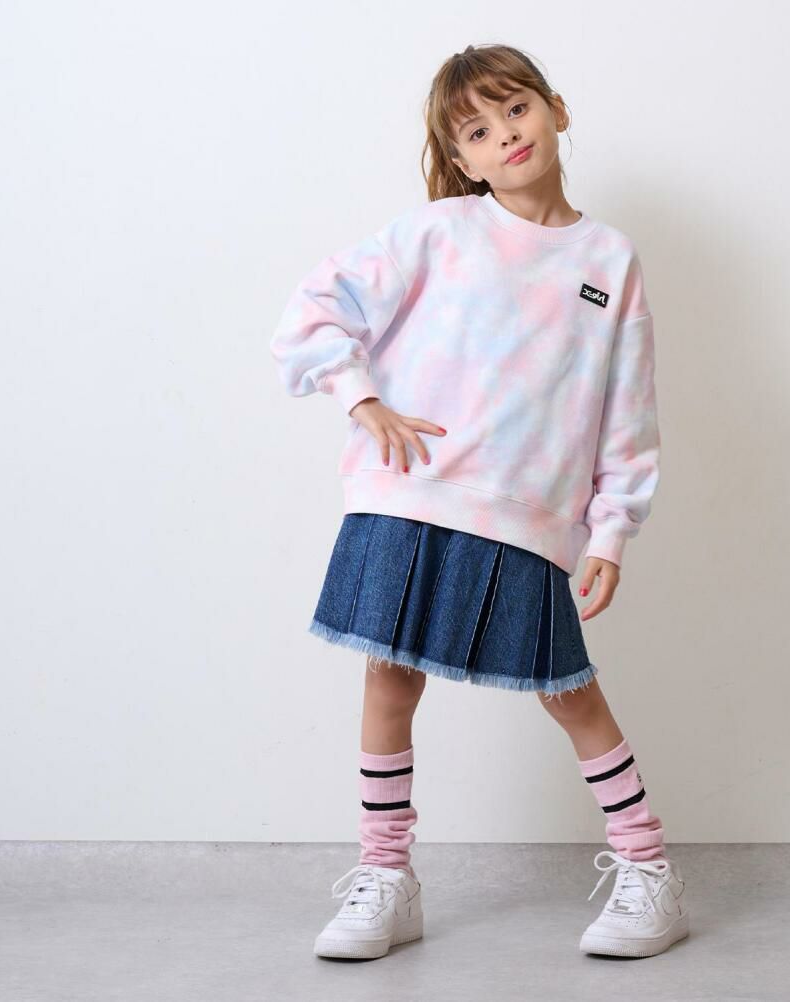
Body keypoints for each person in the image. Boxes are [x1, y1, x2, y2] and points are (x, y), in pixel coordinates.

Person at [269, 43, 689, 961]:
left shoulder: (609, 260)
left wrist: (611, 530)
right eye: (478, 130)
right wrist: (362, 400)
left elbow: (628, 409)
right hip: (410, 492)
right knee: (388, 678)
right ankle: (386, 876)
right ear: (460, 159)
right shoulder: (438, 232)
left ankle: (647, 867)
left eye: (516, 110)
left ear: (556, 109)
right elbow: (314, 308)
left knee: (569, 692)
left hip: (527, 517)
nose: (505, 136)